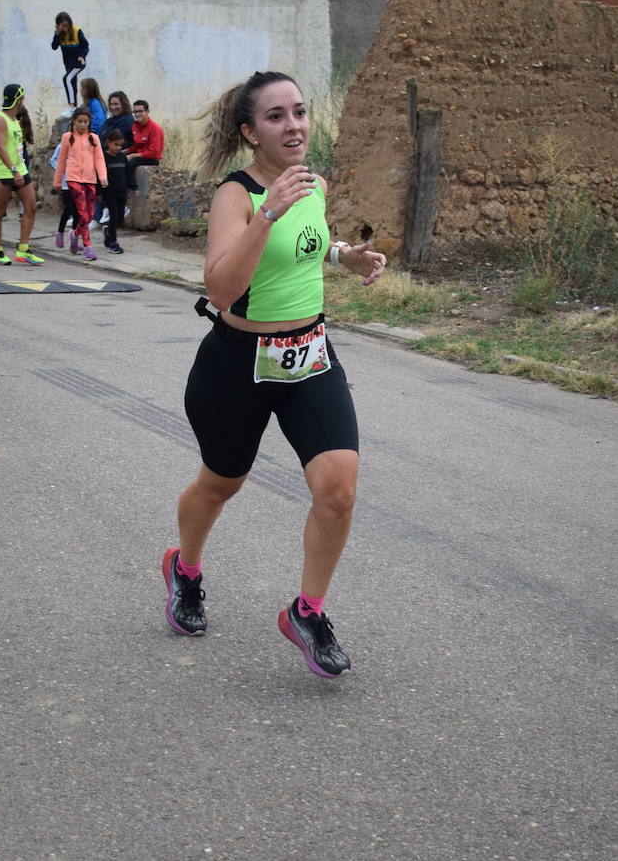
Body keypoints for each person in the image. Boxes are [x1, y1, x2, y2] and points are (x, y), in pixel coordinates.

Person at [162, 71, 386, 679]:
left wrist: (344, 255)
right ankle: (185, 568)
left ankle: (307, 613)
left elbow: (306, 243)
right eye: (276, 117)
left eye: (300, 112)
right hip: (238, 362)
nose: (293, 126)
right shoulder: (235, 196)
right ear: (249, 132)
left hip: (309, 353)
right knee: (220, 483)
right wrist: (267, 211)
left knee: (338, 488)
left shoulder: (312, 184)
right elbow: (223, 286)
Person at [0, 83, 44, 267]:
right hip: (4, 172)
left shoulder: (15, 120)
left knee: (31, 206)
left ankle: (23, 249)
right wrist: (13, 171)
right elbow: (0, 148)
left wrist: (20, 170)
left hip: (20, 169)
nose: (23, 102)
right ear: (17, 99)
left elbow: (16, 148)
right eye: (22, 98)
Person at [53, 106, 107, 262]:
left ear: (89, 122)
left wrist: (102, 176)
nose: (82, 125)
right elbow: (61, 161)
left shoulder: (94, 138)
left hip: (90, 180)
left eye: (85, 122)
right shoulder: (67, 137)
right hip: (73, 179)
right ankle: (88, 247)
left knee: (89, 216)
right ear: (74, 122)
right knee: (82, 213)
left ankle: (75, 234)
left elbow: (99, 159)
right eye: (79, 121)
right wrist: (57, 181)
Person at [100, 128, 136, 254]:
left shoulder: (122, 157)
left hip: (122, 192)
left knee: (120, 217)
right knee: (114, 215)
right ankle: (113, 243)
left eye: (120, 145)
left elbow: (129, 173)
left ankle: (108, 230)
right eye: (116, 145)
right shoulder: (103, 158)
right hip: (109, 193)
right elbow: (99, 175)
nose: (118, 148)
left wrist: (134, 187)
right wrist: (98, 192)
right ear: (108, 142)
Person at [50, 12, 88, 113]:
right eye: (62, 26)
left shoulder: (77, 31)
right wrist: (57, 35)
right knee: (72, 84)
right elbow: (54, 47)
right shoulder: (59, 34)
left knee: (66, 78)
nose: (65, 28)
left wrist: (82, 56)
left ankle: (71, 106)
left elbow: (85, 45)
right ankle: (74, 108)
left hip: (79, 62)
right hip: (69, 64)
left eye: (66, 25)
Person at [126, 99, 164, 171]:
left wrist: (132, 155)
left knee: (131, 162)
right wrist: (126, 151)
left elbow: (154, 153)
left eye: (140, 111)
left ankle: (131, 182)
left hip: (151, 159)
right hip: (139, 155)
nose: (137, 114)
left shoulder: (155, 128)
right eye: (135, 112)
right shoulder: (135, 125)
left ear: (147, 112)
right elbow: (138, 144)